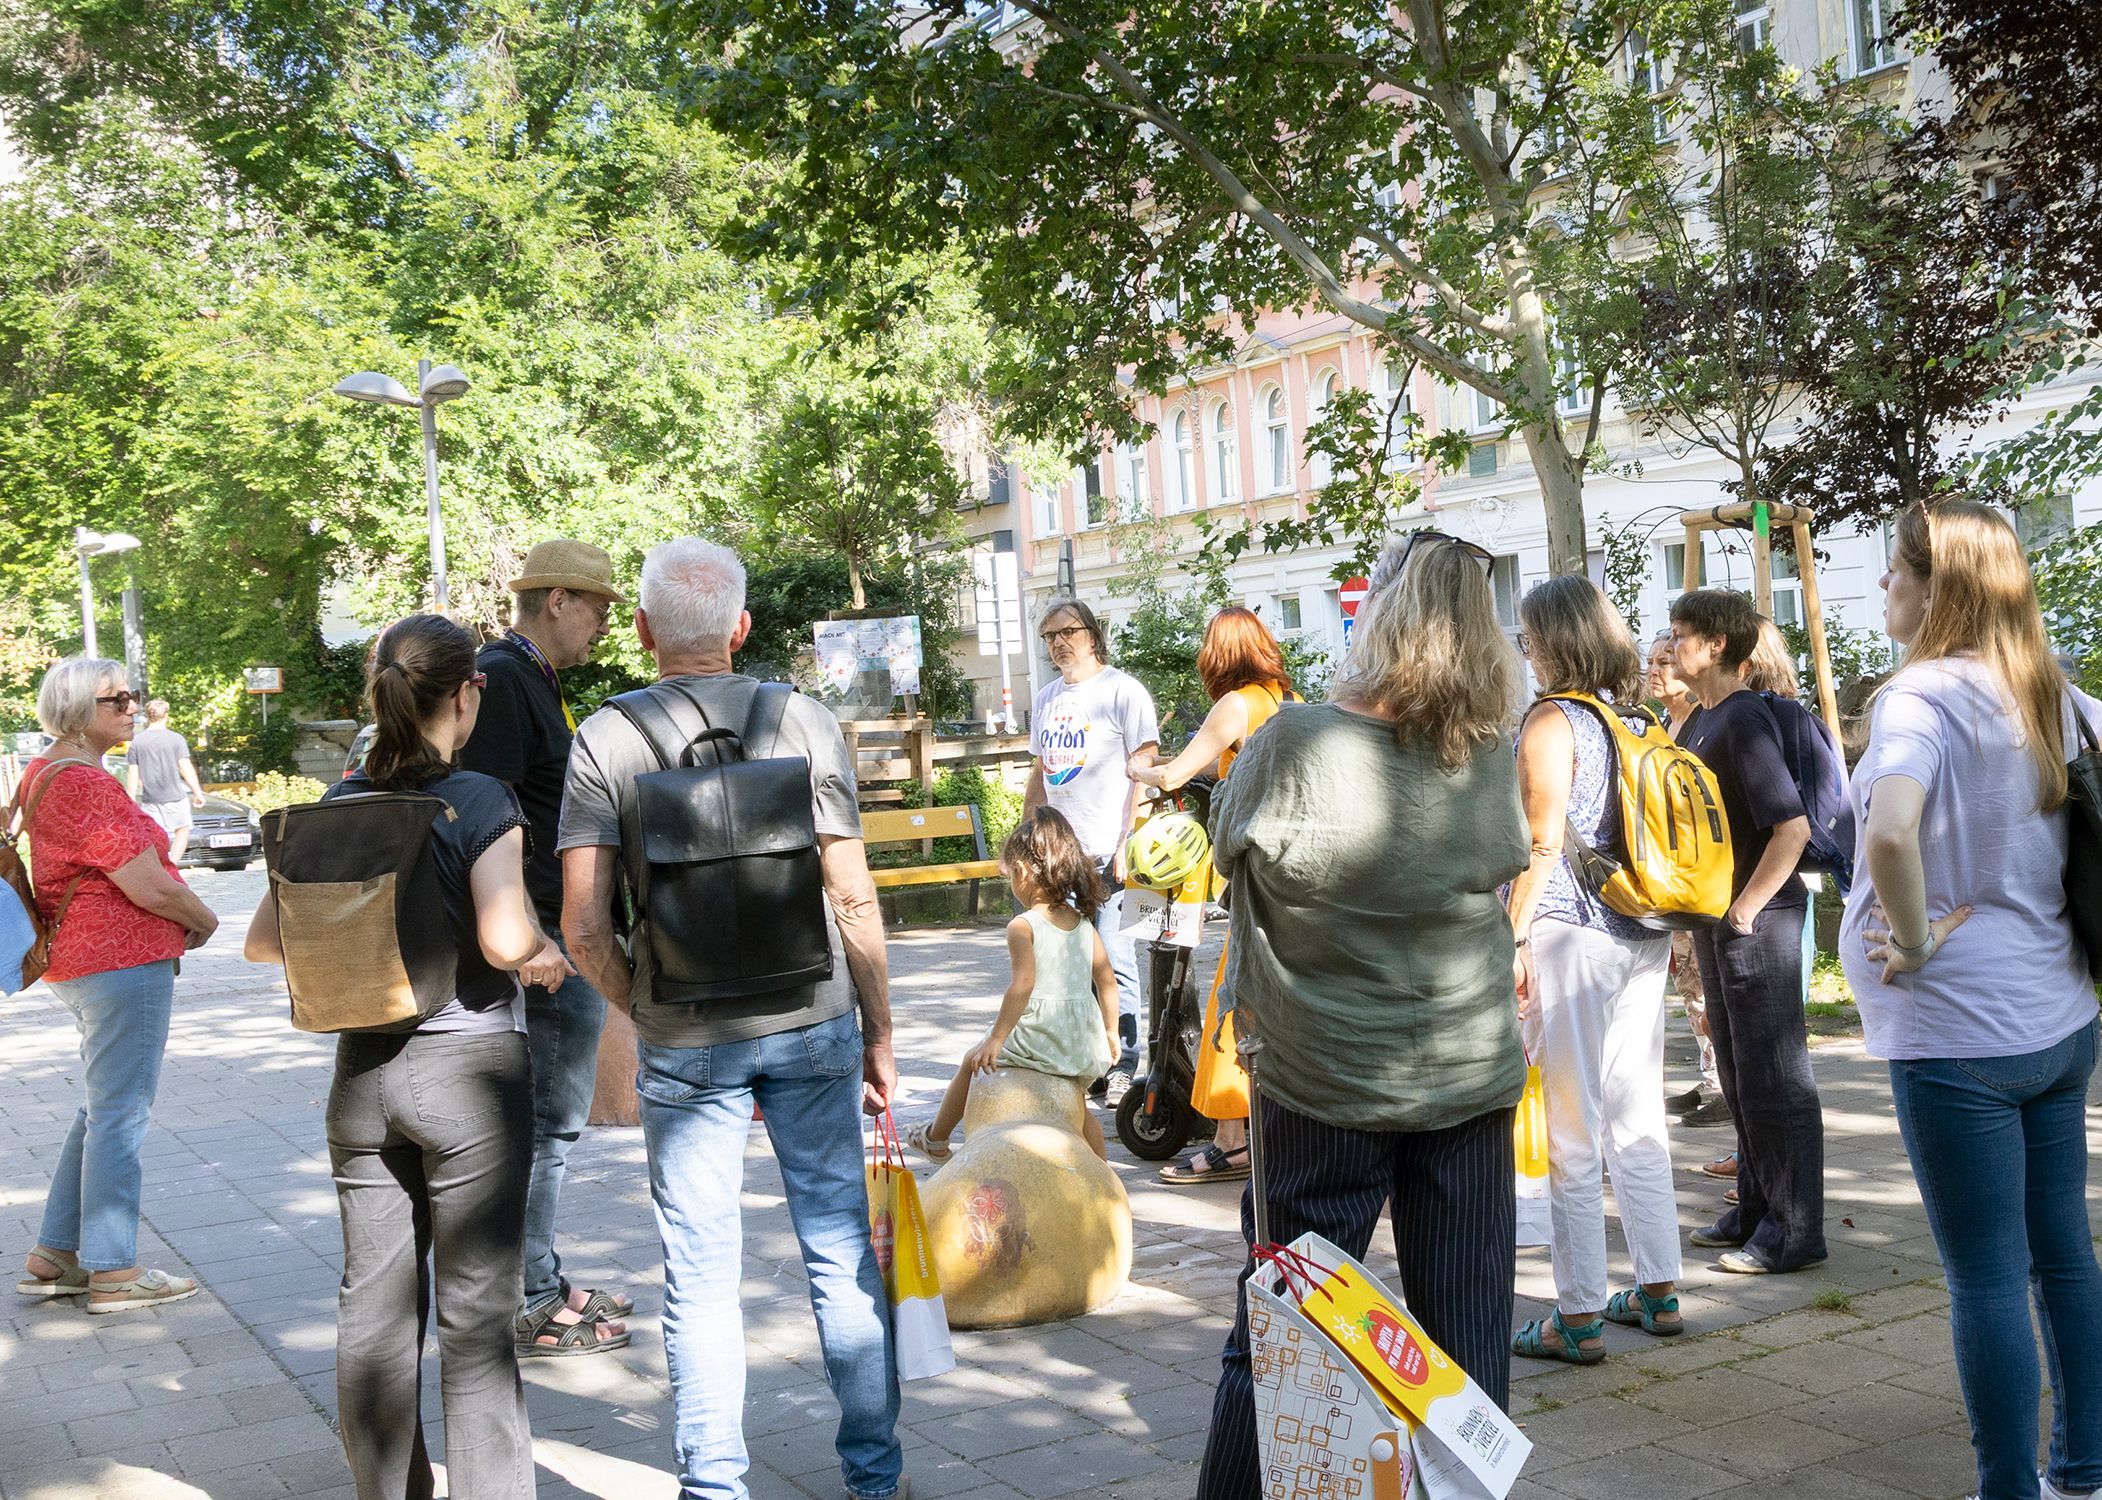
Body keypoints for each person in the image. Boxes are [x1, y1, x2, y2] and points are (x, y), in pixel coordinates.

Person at [558, 538, 904, 1500]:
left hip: (687, 1040)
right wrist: (877, 1031)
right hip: (812, 1019)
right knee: (839, 1255)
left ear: (640, 632)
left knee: (700, 1278)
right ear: (742, 628)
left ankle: (714, 1488)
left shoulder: (605, 738)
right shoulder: (803, 719)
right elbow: (853, 897)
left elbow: (583, 929)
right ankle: (874, 1481)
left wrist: (651, 1009)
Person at [1195, 532, 1528, 1499]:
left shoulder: (1295, 741)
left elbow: (1228, 850)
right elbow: (1500, 864)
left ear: (1378, 607)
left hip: (1320, 1077)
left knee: (1288, 1331)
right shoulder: (1488, 755)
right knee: (1465, 1342)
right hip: (1465, 1074)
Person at [245, 614, 566, 1500]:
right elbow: (505, 937)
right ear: (469, 692)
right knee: (475, 1321)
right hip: (469, 1081)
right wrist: (540, 950)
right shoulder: (480, 799)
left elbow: (265, 944)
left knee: (374, 1313)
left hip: (362, 1083)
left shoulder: (336, 806)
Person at [1843, 501, 2101, 1500]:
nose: (1880, 588)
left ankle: (2007, 1490)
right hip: (2058, 1017)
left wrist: (1910, 941)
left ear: (1933, 584)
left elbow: (1891, 835)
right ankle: (2080, 1471)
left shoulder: (1918, 699)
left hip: (1957, 1039)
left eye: (1891, 571)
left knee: (1986, 1275)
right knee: (2063, 1257)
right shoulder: (2057, 695)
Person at [457, 539, 631, 1358]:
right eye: (596, 606)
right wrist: (527, 933)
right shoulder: (506, 679)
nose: (603, 622)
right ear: (556, 600)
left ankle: (537, 1277)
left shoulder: (528, 678)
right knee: (546, 1128)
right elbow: (483, 813)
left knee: (545, 1127)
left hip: (556, 931)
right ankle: (527, 1298)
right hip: (546, 942)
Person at [1505, 576, 1681, 1364]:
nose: (1525, 650)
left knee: (1573, 1128)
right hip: (1642, 929)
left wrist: (1509, 939)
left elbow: (1543, 846)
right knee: (1636, 1115)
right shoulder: (1636, 718)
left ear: (1555, 640)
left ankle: (1574, 1314)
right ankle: (1658, 1287)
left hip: (1571, 935)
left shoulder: (1553, 721)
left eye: (1529, 637)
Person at [15, 660, 218, 1313]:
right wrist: (204, 917)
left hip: (80, 961)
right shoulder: (87, 785)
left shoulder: (43, 771)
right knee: (122, 1113)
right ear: (77, 709)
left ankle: (56, 1254)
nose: (131, 706)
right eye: (116, 699)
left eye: (132, 697)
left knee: (102, 1105)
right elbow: (146, 882)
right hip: (118, 962)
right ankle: (113, 1272)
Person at [1670, 588, 1827, 1275]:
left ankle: (1796, 1232)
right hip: (1719, 918)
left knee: (1774, 1076)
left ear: (1717, 646)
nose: (1672, 645)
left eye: (1682, 634)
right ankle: (1757, 1209)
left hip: (1755, 920)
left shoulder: (1742, 719)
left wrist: (1748, 907)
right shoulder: (1698, 722)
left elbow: (1790, 827)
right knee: (1737, 1071)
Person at [1128, 606, 1296, 1185]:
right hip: (1294, 874)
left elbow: (1176, 774)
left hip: (1252, 876)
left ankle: (1231, 1142)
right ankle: (1264, 1133)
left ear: (1219, 654)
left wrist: (1139, 770)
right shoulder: (1288, 704)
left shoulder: (1237, 705)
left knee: (1234, 998)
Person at [905, 806, 1118, 1163]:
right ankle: (1104, 1175)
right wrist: (1111, 1031)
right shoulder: (1083, 924)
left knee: (969, 1062)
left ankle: (936, 1138)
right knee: (1079, 1109)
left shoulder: (1023, 926)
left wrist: (996, 1039)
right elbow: (1107, 980)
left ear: (1021, 872)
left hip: (1036, 1037)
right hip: (1078, 1040)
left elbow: (1022, 985)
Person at [1025, 597, 1160, 1106]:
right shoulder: (1046, 698)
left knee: (1115, 959)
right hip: (1061, 853)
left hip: (1111, 850)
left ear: (1092, 634)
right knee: (1067, 962)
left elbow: (1143, 771)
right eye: (1049, 636)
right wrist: (1027, 838)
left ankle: (1124, 1062)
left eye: (1068, 632)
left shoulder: (1122, 692)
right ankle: (1092, 1060)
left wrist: (1131, 840)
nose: (1059, 643)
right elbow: (1040, 773)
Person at [1648, 633, 1726, 1130]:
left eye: (1664, 659)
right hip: (1668, 876)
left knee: (1709, 983)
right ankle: (1708, 1072)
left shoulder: (1704, 723)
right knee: (1689, 983)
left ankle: (1723, 1083)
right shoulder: (1657, 726)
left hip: (1701, 874)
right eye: (1649, 662)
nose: (1655, 669)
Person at [123, 698, 206, 864]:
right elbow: (185, 767)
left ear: (147, 716)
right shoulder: (176, 739)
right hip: (175, 796)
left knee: (153, 834)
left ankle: (160, 864)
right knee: (182, 830)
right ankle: (172, 863)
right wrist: (197, 792)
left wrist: (130, 798)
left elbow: (133, 772)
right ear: (166, 715)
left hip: (150, 799)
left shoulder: (137, 742)